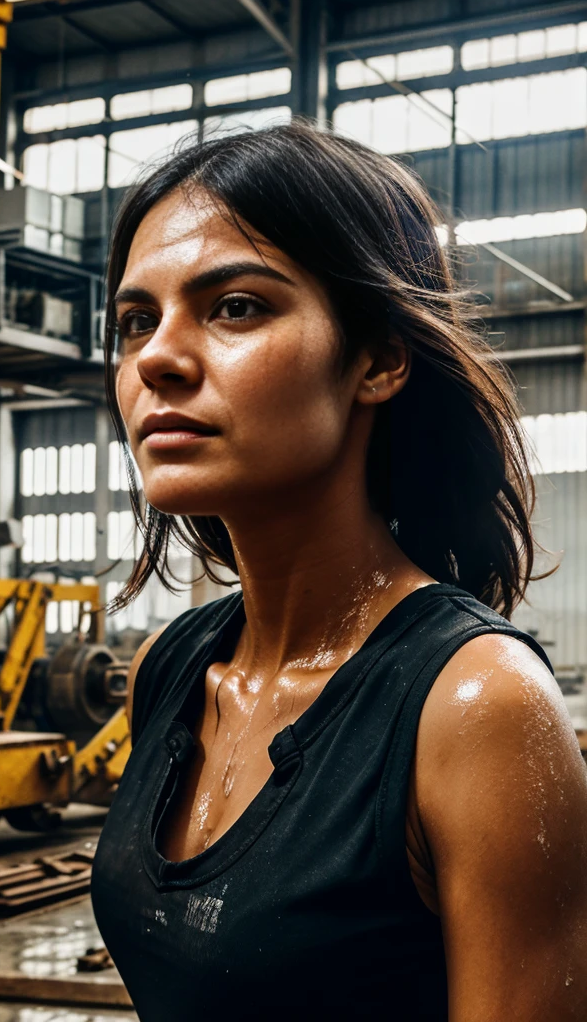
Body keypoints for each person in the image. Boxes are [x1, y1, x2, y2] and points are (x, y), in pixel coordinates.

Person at [90, 121, 587, 1021]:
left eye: (235, 306)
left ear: (379, 358)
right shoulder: (169, 669)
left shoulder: (475, 707)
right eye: (135, 321)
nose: (156, 357)